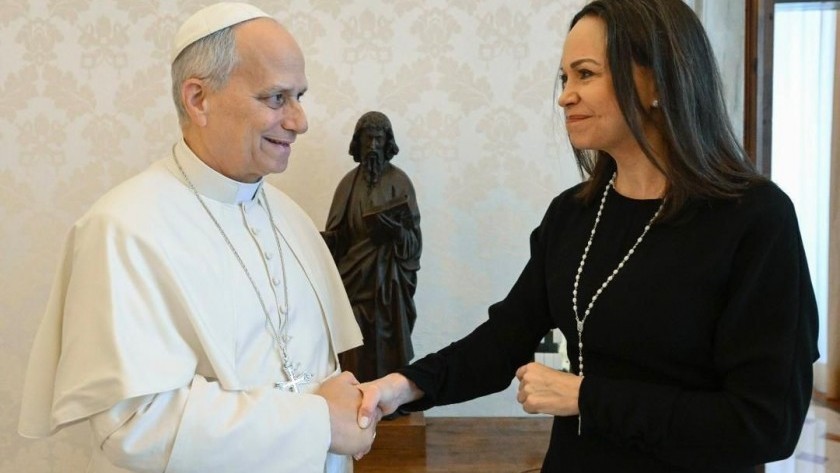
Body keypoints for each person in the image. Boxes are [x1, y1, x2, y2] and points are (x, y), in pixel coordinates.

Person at [357, 0, 820, 471]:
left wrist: (587, 397)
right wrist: (399, 387)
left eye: (585, 74)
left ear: (656, 81)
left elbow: (766, 424)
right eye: (564, 78)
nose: (565, 96)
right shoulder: (572, 214)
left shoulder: (757, 219)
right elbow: (503, 340)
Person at [18, 3, 376, 472]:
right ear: (198, 99)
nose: (298, 121)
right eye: (276, 98)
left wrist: (348, 414)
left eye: (299, 96)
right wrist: (318, 423)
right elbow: (136, 425)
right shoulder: (122, 228)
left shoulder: (291, 219)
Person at [323, 111, 422, 395]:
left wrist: (395, 232)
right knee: (354, 346)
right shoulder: (347, 185)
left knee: (387, 342)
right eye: (369, 139)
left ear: (387, 142)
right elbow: (337, 236)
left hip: (389, 286)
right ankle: (355, 398)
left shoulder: (400, 182)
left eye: (379, 139)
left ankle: (389, 398)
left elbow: (414, 241)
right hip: (353, 282)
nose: (374, 146)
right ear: (359, 142)